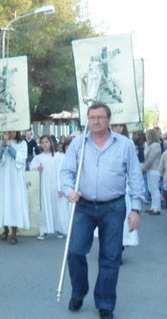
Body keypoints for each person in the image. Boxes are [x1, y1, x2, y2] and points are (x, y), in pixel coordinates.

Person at [60, 102, 144, 319]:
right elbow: (66, 171)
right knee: (75, 251)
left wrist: (135, 209)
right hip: (84, 205)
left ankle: (105, 302)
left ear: (108, 120)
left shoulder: (124, 145)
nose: (96, 121)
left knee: (110, 256)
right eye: (92, 117)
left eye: (100, 117)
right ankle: (79, 291)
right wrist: (69, 191)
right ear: (88, 120)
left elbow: (135, 177)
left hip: (114, 206)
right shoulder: (79, 143)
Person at [0, 131, 29, 244]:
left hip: (15, 179)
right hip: (4, 179)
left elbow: (21, 159)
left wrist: (10, 147)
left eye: (12, 132)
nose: (10, 134)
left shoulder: (22, 144)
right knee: (4, 203)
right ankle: (5, 229)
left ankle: (14, 232)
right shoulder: (2, 143)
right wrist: (3, 145)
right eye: (8, 132)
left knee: (15, 203)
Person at [30, 135, 68, 239]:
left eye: (46, 142)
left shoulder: (58, 157)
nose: (44, 144)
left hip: (55, 185)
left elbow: (62, 172)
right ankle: (44, 230)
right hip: (44, 186)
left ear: (50, 143)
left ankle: (59, 229)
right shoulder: (38, 158)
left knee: (57, 207)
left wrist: (61, 187)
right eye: (42, 143)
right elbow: (31, 168)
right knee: (44, 208)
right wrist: (37, 168)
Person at [142, 128, 162, 215]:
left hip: (154, 169)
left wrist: (144, 168)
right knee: (151, 189)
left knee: (154, 189)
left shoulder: (155, 145)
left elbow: (150, 159)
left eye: (147, 135)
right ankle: (153, 207)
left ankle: (157, 208)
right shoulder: (150, 145)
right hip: (151, 169)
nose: (146, 136)